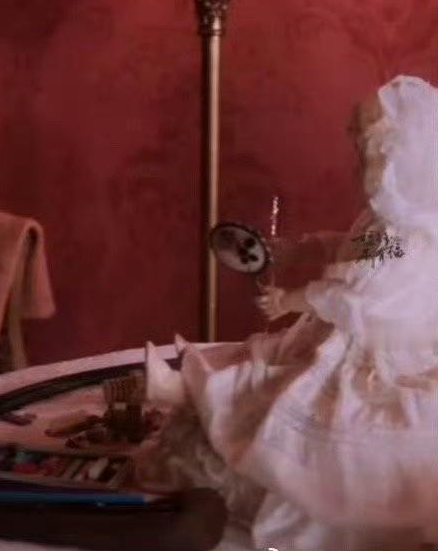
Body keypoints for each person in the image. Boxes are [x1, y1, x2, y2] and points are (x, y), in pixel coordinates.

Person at [144, 75, 438, 551]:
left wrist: (292, 300)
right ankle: (192, 384)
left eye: (373, 151)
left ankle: (190, 387)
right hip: (343, 334)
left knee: (288, 392)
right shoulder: (385, 222)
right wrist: (302, 247)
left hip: (379, 356)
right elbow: (349, 250)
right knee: (267, 360)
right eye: (361, 149)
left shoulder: (410, 240)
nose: (361, 162)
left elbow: (355, 298)